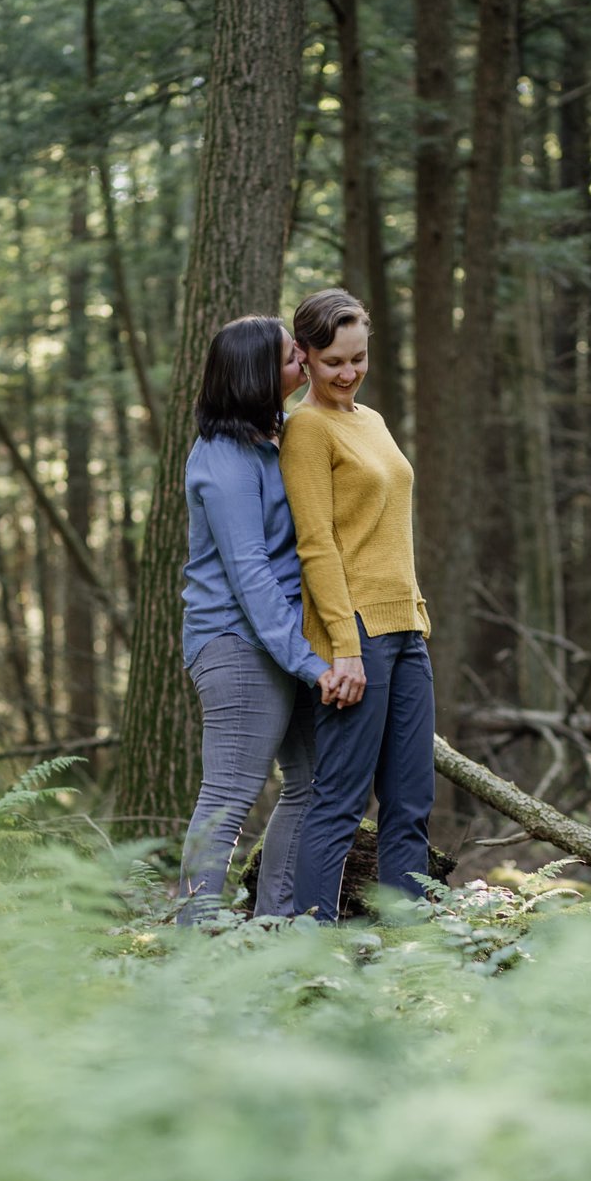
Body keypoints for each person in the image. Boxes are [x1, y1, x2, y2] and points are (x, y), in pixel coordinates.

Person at [178, 315, 345, 922]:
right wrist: (311, 664)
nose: (303, 360)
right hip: (236, 644)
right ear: (255, 377)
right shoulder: (222, 461)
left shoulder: (276, 440)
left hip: (286, 641)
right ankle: (195, 941)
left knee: (314, 783)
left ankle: (272, 926)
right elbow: (250, 576)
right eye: (289, 358)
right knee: (227, 797)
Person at [280, 288, 435, 923]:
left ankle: (410, 950)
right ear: (306, 358)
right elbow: (316, 545)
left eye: (358, 358)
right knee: (340, 802)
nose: (348, 373)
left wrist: (416, 614)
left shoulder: (369, 420)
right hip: (357, 636)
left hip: (408, 627)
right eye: (333, 361)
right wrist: (344, 647)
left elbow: (388, 528)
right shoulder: (306, 429)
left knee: (411, 803)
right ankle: (314, 952)